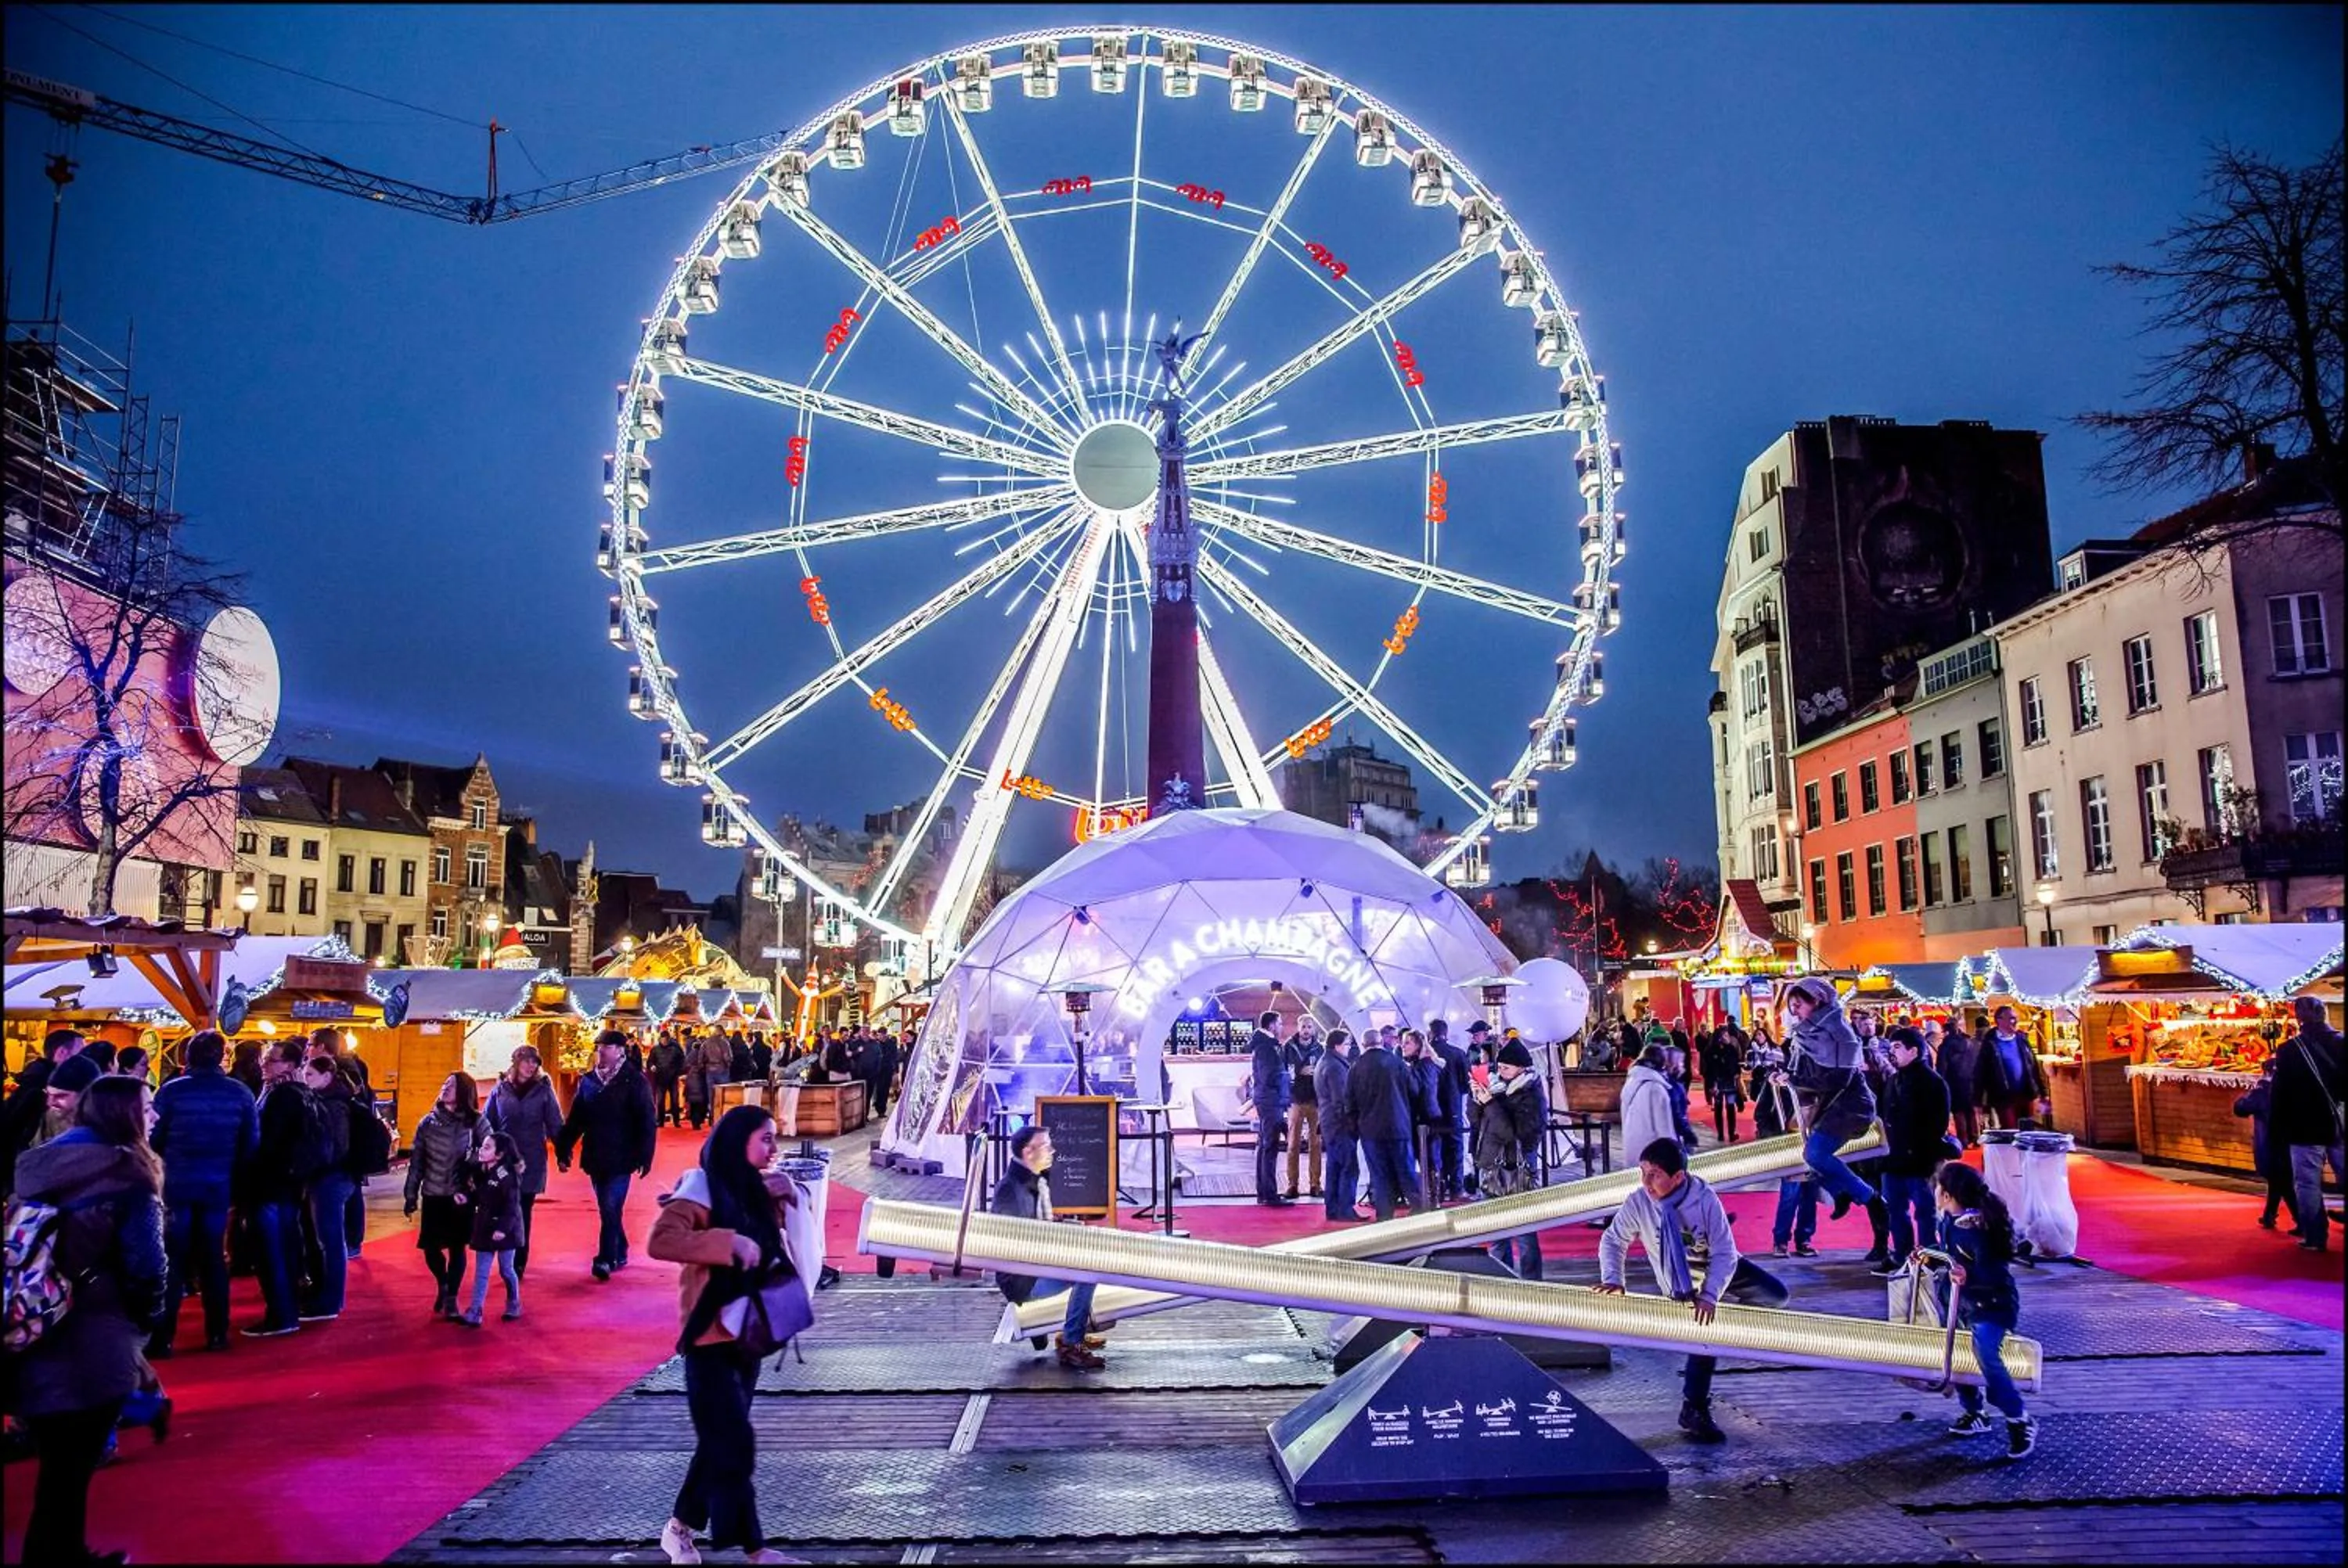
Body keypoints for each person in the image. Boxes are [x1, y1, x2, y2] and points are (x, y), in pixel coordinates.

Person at [12, 1077, 168, 1564]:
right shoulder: (128, 1174)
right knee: (71, 1464)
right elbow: (147, 1263)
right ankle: (57, 1555)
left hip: (32, 1317)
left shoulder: (39, 1163)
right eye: (147, 1106)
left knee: (59, 1461)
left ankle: (59, 1550)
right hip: (93, 1325)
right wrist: (145, 1318)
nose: (155, 1115)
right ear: (126, 1114)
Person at [648, 1104, 805, 1564]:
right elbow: (662, 1241)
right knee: (730, 1439)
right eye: (766, 1138)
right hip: (708, 1335)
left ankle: (679, 1528)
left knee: (721, 1439)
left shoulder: (756, 1187)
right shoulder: (701, 1185)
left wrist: (785, 1196)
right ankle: (755, 1551)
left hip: (748, 1331)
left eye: (775, 1138)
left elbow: (784, 1247)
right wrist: (726, 1243)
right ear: (738, 1139)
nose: (774, 1148)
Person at [1595, 1137, 1788, 1445]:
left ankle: (1723, 1330)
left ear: (1678, 1177)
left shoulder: (1704, 1198)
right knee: (1705, 1335)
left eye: (1654, 1174)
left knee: (1776, 1296)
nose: (1646, 1181)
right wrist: (1614, 1279)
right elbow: (1613, 1240)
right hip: (1680, 1282)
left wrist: (1712, 1295)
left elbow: (1725, 1251)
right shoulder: (1639, 1201)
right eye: (1642, 1172)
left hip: (1721, 1268)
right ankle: (1694, 1408)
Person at [148, 1029, 257, 1354]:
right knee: (213, 1259)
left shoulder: (171, 1092)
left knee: (172, 1259)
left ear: (188, 1057)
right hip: (217, 1184)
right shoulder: (239, 1093)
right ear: (221, 1056)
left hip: (175, 1183)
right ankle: (217, 1333)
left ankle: (162, 1337)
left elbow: (154, 1137)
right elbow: (250, 1144)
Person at [1932, 1160, 2037, 1459]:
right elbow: (1949, 1250)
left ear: (1949, 1195)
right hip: (1962, 1304)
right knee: (1958, 1354)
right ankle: (1974, 1411)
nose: (1936, 1192)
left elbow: (1992, 1271)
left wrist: (1967, 1274)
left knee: (1986, 1355)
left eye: (1939, 1188)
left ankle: (2019, 1418)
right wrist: (1930, 1256)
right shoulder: (1950, 1220)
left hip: (1991, 1306)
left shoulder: (1977, 1228)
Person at [989, 1124, 1111, 1369]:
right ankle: (1070, 1344)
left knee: (1092, 1261)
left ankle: (1069, 1330)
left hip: (1033, 1269)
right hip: (1022, 1280)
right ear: (1028, 1152)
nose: (1052, 1151)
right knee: (1087, 1274)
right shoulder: (1010, 1190)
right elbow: (1018, 1242)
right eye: (1046, 1145)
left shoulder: (1032, 1180)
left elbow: (1041, 1229)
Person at [1770, 978, 1886, 1234]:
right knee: (1810, 1159)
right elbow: (1798, 1070)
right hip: (1826, 1108)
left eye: (1799, 1005)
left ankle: (1869, 1197)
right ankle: (1842, 1191)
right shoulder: (1804, 1034)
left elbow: (1838, 1080)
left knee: (1814, 1155)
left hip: (1851, 1107)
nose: (1795, 1012)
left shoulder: (1841, 1034)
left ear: (1818, 1000)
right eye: (1792, 1007)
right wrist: (1783, 1075)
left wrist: (1794, 1079)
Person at [557, 1030, 660, 1278]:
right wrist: (564, 1147)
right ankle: (621, 1248)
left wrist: (646, 1155)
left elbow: (646, 1120)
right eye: (599, 1047)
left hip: (623, 1156)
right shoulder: (590, 1081)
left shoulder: (634, 1081)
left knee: (611, 1206)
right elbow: (577, 1119)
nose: (600, 1051)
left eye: (606, 1047)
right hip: (595, 1156)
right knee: (608, 1209)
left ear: (620, 1051)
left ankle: (605, 1259)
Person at [239, 1041, 325, 1338]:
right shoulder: (303, 1093)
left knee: (272, 1251)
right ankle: (287, 1308)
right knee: (286, 1248)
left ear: (288, 1065)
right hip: (289, 1184)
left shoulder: (281, 1097)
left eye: (271, 1060)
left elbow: (267, 1144)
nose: (264, 1064)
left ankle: (281, 1313)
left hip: (271, 1184)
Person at [405, 1072, 488, 1318]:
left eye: (451, 1086)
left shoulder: (476, 1122)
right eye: (444, 1084)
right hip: (432, 1193)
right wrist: (410, 1193)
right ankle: (442, 1282)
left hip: (460, 1194)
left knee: (456, 1247)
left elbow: (491, 1150)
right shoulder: (428, 1123)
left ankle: (452, 1296)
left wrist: (472, 1164)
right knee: (430, 1248)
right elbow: (417, 1162)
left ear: (463, 1092)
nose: (445, 1089)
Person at [1874, 1025, 1953, 1278]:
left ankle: (1928, 1256)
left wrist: (1925, 1155)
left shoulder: (1932, 1083)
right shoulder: (1894, 1080)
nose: (1892, 1053)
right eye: (1891, 1047)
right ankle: (1903, 1254)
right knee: (1896, 1210)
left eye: (1897, 1047)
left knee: (1925, 1211)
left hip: (1921, 1160)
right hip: (1893, 1159)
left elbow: (1937, 1124)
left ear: (1914, 1051)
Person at [484, 1045, 567, 1278]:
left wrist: (563, 1153)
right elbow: (487, 1122)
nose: (532, 1066)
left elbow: (554, 1121)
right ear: (516, 1062)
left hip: (531, 1159)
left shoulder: (543, 1089)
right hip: (504, 1160)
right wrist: (483, 1152)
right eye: (527, 1061)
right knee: (503, 1208)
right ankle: (505, 1253)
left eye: (535, 1062)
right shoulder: (500, 1089)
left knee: (522, 1210)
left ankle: (518, 1261)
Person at [1471, 1039, 1550, 1278]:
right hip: (1490, 1166)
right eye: (1500, 1067)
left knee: (1525, 1232)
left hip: (1518, 1169)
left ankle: (1531, 1284)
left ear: (1522, 1068)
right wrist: (1476, 1100)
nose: (1501, 1071)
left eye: (1506, 1067)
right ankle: (1502, 1282)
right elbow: (1477, 1123)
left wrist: (1491, 1105)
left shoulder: (1531, 1095)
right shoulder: (1496, 1089)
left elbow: (1512, 1134)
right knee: (1496, 1232)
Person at [2275, 995, 2346, 1252]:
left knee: (2307, 1184)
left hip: (2304, 1125)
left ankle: (2315, 1238)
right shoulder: (2341, 1043)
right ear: (2324, 1013)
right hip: (2339, 1120)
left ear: (2299, 1017)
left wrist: (2278, 1129)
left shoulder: (2289, 1050)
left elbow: (2280, 1094)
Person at [297, 1053, 358, 1322]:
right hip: (335, 1177)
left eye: (310, 1075)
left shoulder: (332, 1105)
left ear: (327, 1076)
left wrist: (309, 1163)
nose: (305, 1079)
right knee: (329, 1240)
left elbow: (333, 1147)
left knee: (331, 1241)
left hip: (331, 1178)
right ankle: (330, 1296)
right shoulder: (334, 1100)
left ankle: (332, 1300)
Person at [308, 1026, 375, 1258]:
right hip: (349, 1147)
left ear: (322, 1048)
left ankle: (351, 1243)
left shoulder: (339, 1074)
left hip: (344, 1150)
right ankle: (351, 1243)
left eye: (310, 1044)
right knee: (351, 1192)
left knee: (347, 1195)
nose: (307, 1049)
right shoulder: (353, 1067)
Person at [458, 1124, 528, 1327]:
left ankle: (513, 1301)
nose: (482, 1149)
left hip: (506, 1232)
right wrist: (467, 1198)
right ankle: (476, 1310)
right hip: (485, 1228)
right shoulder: (482, 1172)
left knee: (507, 1270)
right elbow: (481, 1195)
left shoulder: (508, 1178)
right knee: (481, 1272)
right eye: (483, 1146)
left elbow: (512, 1207)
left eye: (488, 1148)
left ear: (499, 1155)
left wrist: (502, 1230)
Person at [1346, 1027, 1417, 1223]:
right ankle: (1421, 1210)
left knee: (1380, 1175)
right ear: (1381, 1042)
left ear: (1363, 1044)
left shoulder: (1356, 1067)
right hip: (1399, 1126)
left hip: (1371, 1131)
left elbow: (1349, 1102)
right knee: (1406, 1171)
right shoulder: (1397, 1063)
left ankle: (1384, 1216)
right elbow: (1414, 1089)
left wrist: (1356, 1127)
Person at [1751, 1055, 1818, 1256]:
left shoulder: (1818, 1081)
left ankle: (1804, 1239)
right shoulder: (1778, 1082)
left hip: (1814, 1143)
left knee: (1810, 1195)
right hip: (1789, 1143)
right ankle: (1780, 1240)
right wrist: (1773, 1139)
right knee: (1790, 1194)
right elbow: (1761, 1113)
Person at [3, 1028, 85, 1189]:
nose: (83, 1060)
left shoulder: (32, 1082)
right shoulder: (41, 1088)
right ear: (61, 1052)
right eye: (80, 1053)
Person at [2233, 1056, 2303, 1234]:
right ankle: (2269, 1215)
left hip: (2270, 1143)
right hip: (2291, 1143)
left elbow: (2240, 1108)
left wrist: (2253, 1090)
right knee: (2279, 1179)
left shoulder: (2263, 1090)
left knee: (2283, 1183)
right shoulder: (2294, 1087)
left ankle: (2302, 1221)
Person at [1977, 1007, 2049, 1132]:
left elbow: (2033, 1066)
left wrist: (2044, 1093)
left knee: (2027, 1133)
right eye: (2011, 1018)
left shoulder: (2022, 1039)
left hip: (2026, 1094)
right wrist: (1979, 1101)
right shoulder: (1990, 1043)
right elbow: (1981, 1073)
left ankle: (2025, 1153)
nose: (2015, 1021)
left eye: (2016, 1018)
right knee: (2011, 1132)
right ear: (1999, 1020)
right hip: (2003, 1097)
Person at [1313, 1029, 1359, 1222]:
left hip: (1329, 1123)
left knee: (1335, 1167)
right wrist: (1351, 1123)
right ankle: (1345, 1209)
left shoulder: (1325, 1062)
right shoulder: (1335, 1067)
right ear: (1337, 1045)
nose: (1349, 1048)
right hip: (1339, 1124)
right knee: (1348, 1167)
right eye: (1348, 1044)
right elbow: (1341, 1100)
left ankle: (1333, 1208)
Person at [1246, 1011, 1291, 1207]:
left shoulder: (1264, 1045)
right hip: (1270, 1100)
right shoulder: (1266, 1047)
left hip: (1268, 1098)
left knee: (1265, 1145)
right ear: (1272, 1025)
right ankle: (1269, 1194)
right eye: (1280, 1023)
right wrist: (1286, 1078)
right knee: (1269, 1146)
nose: (1282, 1027)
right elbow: (1268, 1075)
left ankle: (1265, 1191)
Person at [1426, 1019, 1473, 1202]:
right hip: (1453, 1106)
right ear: (1446, 1032)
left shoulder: (1425, 1054)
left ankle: (1436, 1190)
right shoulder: (1458, 1054)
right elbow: (1466, 1084)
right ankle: (1456, 1189)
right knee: (1455, 1148)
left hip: (1429, 1108)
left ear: (1430, 1033)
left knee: (1433, 1149)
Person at [1619, 1045, 1678, 1171]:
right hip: (1653, 1155)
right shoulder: (1656, 1088)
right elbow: (1664, 1129)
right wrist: (1674, 1154)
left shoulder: (1631, 1082)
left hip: (1632, 1148)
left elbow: (1624, 1117)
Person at [1282, 1018, 1323, 1200]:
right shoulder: (1288, 1047)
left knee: (1316, 1144)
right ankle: (1292, 1184)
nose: (1306, 1030)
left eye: (1309, 1027)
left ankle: (1315, 1184)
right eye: (1303, 1027)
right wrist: (1300, 1072)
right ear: (1298, 1028)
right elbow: (1283, 1072)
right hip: (1295, 1100)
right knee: (1293, 1144)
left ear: (1313, 1029)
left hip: (1315, 1100)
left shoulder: (1320, 1049)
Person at [1702, 1026, 1745, 1143]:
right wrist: (1712, 1083)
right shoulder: (1712, 1051)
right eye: (1725, 1035)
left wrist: (1737, 1073)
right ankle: (1722, 1133)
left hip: (1728, 1081)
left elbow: (1735, 1064)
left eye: (1727, 1035)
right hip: (1719, 1082)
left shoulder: (1730, 1049)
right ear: (1719, 1037)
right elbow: (1709, 1069)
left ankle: (1730, 1133)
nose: (1728, 1037)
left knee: (1729, 1108)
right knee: (1720, 1108)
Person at [651, 1030, 689, 1128]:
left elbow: (682, 1061)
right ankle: (660, 1121)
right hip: (660, 1078)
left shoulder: (675, 1049)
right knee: (660, 1101)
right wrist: (652, 1066)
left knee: (675, 1101)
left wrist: (678, 1072)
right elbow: (651, 1061)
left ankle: (676, 1121)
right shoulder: (655, 1049)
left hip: (672, 1078)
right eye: (663, 1039)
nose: (664, 1041)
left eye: (666, 1039)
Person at [685, 1035, 714, 1131]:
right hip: (700, 1083)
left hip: (691, 1083)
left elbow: (685, 1065)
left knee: (693, 1104)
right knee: (700, 1104)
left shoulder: (690, 1057)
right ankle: (698, 1121)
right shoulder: (704, 1057)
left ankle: (694, 1122)